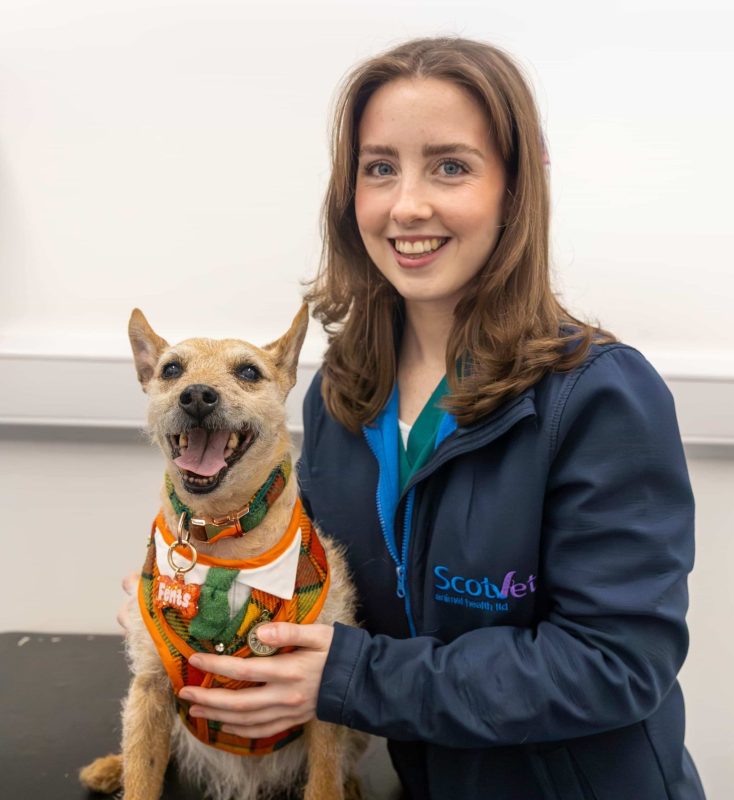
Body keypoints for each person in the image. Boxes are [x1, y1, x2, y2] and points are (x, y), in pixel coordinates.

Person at [164, 37, 706, 800]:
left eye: (450, 166)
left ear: (515, 192)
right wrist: (187, 584)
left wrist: (355, 678)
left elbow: (615, 665)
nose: (406, 204)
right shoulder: (341, 392)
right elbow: (312, 572)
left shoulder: (599, 396)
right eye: (379, 167)